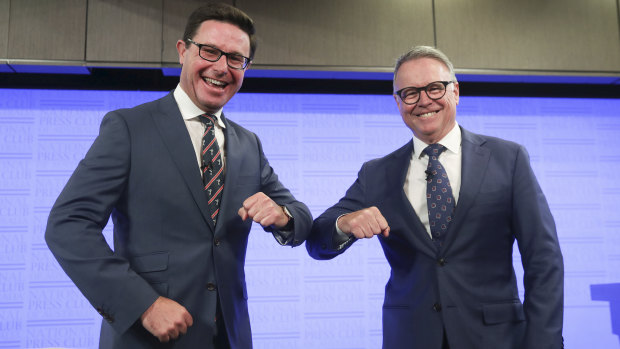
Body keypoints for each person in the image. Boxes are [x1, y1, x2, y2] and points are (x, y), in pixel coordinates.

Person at [45, 3, 312, 348]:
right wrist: (143, 303)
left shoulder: (249, 145)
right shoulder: (128, 128)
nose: (222, 67)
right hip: (148, 338)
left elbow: (300, 216)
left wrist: (284, 215)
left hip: (229, 338)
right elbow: (67, 225)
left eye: (236, 58)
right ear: (183, 51)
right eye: (210, 51)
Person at [306, 46, 564, 349]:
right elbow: (316, 240)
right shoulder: (377, 173)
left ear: (455, 91)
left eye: (434, 88)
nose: (423, 100)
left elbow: (543, 260)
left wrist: (543, 343)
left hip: (496, 338)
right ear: (397, 102)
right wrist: (344, 223)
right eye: (410, 93)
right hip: (410, 337)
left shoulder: (508, 159)